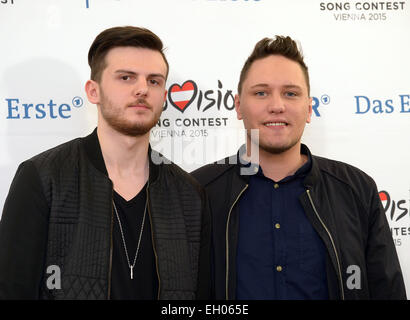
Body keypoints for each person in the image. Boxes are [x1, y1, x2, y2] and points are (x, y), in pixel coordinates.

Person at [0, 26, 211, 300]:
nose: (142, 89)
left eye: (154, 81)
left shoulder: (190, 195)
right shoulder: (42, 178)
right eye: (126, 77)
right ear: (93, 91)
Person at [192, 36, 406, 300]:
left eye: (290, 93)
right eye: (261, 93)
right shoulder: (197, 192)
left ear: (308, 108)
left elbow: (387, 291)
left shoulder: (357, 190)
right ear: (238, 106)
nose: (277, 106)